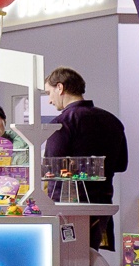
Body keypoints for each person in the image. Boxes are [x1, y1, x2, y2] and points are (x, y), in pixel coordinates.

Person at [43, 68, 129, 248]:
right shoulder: (112, 120)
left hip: (66, 205)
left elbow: (51, 168)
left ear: (60, 87)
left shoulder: (61, 123)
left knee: (64, 258)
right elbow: (121, 164)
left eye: (49, 92)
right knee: (90, 256)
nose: (49, 100)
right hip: (102, 204)